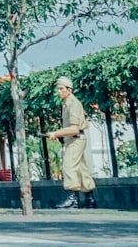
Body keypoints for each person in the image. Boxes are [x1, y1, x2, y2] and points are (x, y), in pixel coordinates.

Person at [47, 75, 96, 209]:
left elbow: (74, 128)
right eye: (58, 89)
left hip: (75, 140)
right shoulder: (67, 104)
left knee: (68, 167)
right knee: (81, 169)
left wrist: (56, 133)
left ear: (69, 89)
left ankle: (72, 199)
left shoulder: (73, 104)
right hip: (73, 139)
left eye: (61, 88)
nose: (59, 91)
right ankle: (89, 198)